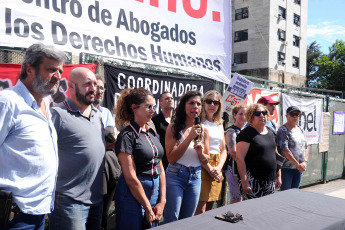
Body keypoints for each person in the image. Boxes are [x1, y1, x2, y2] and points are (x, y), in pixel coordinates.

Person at [0, 43, 65, 230]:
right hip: (13, 216)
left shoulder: (45, 103)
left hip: (40, 213)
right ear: (29, 69)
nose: (58, 76)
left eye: (60, 70)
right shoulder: (8, 102)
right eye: (51, 69)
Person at [49, 67, 105, 230]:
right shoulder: (57, 114)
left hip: (96, 200)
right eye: (87, 84)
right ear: (71, 87)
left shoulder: (98, 115)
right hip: (69, 202)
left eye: (95, 84)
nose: (93, 88)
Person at [115, 87, 166, 229]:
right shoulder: (127, 136)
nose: (153, 110)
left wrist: (162, 201)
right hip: (132, 197)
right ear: (134, 108)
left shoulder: (152, 133)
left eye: (154, 106)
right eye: (148, 106)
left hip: (154, 194)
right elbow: (131, 178)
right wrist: (148, 208)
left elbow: (160, 167)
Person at [164, 90, 210, 223]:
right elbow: (171, 158)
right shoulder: (173, 127)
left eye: (198, 104)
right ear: (184, 106)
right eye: (191, 103)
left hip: (195, 177)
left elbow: (206, 159)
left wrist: (200, 153)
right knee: (172, 219)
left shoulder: (203, 130)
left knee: (187, 221)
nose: (195, 106)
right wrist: (189, 138)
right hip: (176, 176)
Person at [92, 74, 120, 230]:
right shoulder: (81, 111)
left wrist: (104, 138)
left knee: (104, 208)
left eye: (102, 87)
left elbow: (112, 139)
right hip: (91, 170)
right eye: (96, 86)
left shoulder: (106, 112)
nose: (99, 90)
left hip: (107, 168)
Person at [236, 104, 281, 200]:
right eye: (257, 113)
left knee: (266, 210)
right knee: (252, 211)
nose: (262, 115)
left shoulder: (271, 132)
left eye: (264, 113)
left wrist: (278, 175)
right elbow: (240, 159)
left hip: (270, 181)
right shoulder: (245, 134)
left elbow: (276, 155)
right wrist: (244, 181)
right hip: (252, 182)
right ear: (251, 116)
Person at [195, 90, 226, 214]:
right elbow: (197, 150)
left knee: (210, 206)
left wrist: (218, 168)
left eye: (216, 102)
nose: (212, 105)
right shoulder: (199, 122)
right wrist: (209, 168)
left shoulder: (219, 124)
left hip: (217, 164)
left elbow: (223, 150)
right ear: (203, 103)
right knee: (200, 208)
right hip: (202, 163)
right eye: (209, 101)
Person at [277, 106, 309, 191]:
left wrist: (305, 162)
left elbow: (306, 147)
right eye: (292, 114)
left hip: (299, 169)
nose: (295, 116)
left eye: (297, 114)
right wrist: (297, 164)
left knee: (296, 193)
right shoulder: (283, 130)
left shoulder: (300, 129)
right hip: (287, 169)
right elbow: (285, 150)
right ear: (286, 116)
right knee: (286, 194)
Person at [224, 104, 247, 204]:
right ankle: (232, 217)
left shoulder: (246, 131)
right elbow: (233, 152)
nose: (243, 117)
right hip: (233, 169)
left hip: (243, 168)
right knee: (237, 198)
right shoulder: (231, 131)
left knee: (243, 198)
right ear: (234, 115)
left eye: (246, 114)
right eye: (240, 114)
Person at [152, 91, 175, 169]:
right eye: (167, 99)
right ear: (160, 103)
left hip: (178, 164)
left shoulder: (179, 121)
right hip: (161, 164)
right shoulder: (154, 121)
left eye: (172, 98)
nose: (170, 100)